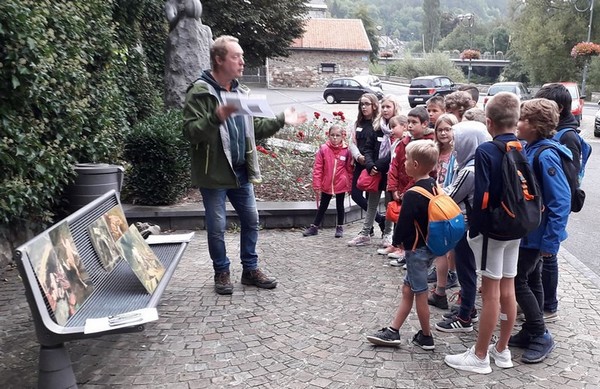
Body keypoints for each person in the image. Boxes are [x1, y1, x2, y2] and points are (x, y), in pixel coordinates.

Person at [182, 35, 307, 295]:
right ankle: (222, 272)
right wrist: (217, 116)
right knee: (217, 228)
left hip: (241, 172)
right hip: (214, 175)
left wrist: (282, 119)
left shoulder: (242, 92)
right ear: (219, 60)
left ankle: (250, 270)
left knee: (251, 220)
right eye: (235, 56)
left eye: (241, 56)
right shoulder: (199, 92)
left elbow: (255, 127)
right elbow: (191, 133)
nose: (242, 61)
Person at [445, 92, 522, 374]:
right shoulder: (520, 147)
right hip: (517, 227)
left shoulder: (487, 151)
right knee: (508, 288)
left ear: (488, 123)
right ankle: (502, 350)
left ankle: (479, 356)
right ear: (515, 120)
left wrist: (475, 230)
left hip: (493, 231)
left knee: (489, 293)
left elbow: (482, 197)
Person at [510, 98, 571, 363]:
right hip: (529, 232)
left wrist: (551, 242)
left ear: (534, 126)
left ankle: (541, 334)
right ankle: (529, 330)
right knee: (532, 280)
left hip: (537, 234)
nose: (517, 124)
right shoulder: (531, 148)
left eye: (522, 120)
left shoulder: (545, 154)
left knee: (517, 280)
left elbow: (560, 201)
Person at [365, 139, 439, 350]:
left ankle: (426, 336)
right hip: (429, 245)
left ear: (415, 165)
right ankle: (393, 330)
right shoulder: (434, 185)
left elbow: (404, 226)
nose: (404, 162)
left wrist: (397, 243)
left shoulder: (413, 194)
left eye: (406, 159)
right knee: (408, 290)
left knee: (420, 293)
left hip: (416, 249)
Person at [435, 117, 491, 333]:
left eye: (459, 141)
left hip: (466, 226)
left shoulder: (470, 170)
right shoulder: (480, 164)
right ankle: (468, 309)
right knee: (469, 271)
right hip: (476, 225)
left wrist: (435, 188)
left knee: (466, 273)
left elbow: (451, 196)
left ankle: (465, 316)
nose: (455, 146)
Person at [533, 83, 582, 321]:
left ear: (559, 108)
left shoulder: (567, 136)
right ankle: (538, 302)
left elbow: (569, 178)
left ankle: (548, 306)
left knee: (549, 255)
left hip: (555, 205)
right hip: (547, 205)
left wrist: (557, 217)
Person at [386, 106, 436, 266]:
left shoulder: (429, 143)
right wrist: (393, 188)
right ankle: (403, 251)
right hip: (400, 189)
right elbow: (394, 164)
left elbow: (422, 173)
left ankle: (415, 256)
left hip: (415, 191)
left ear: (425, 123)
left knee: (416, 226)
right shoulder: (404, 142)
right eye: (408, 122)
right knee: (401, 220)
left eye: (414, 122)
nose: (410, 126)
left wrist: (406, 191)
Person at [347, 95, 399, 247]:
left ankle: (388, 234)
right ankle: (365, 233)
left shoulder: (397, 126)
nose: (385, 110)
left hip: (389, 172)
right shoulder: (377, 127)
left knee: (390, 204)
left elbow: (395, 152)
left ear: (395, 108)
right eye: (383, 107)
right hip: (374, 171)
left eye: (388, 107)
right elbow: (368, 148)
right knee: (371, 203)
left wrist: (378, 165)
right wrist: (370, 165)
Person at [427, 113, 459, 310]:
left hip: (449, 199)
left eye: (448, 129)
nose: (444, 133)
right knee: (440, 242)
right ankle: (442, 272)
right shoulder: (435, 151)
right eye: (440, 130)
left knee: (449, 244)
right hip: (436, 197)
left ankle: (449, 273)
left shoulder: (456, 153)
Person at [302, 124, 353, 238]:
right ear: (328, 135)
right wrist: (317, 184)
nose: (335, 138)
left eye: (337, 135)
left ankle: (340, 226)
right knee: (323, 205)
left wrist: (349, 184)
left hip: (340, 181)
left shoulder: (346, 150)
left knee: (340, 205)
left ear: (342, 136)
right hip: (327, 182)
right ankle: (315, 226)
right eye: (332, 135)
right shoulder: (324, 149)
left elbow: (349, 169)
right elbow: (318, 168)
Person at [347, 93, 385, 241]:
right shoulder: (358, 123)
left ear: (374, 105)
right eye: (361, 104)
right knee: (356, 194)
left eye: (366, 104)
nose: (363, 107)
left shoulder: (379, 123)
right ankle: (380, 219)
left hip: (373, 166)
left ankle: (368, 230)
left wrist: (373, 163)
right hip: (359, 163)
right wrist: (358, 157)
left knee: (371, 199)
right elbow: (352, 143)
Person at [377, 115, 408, 257]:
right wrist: (393, 187)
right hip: (395, 184)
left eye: (394, 127)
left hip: (405, 185)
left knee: (403, 217)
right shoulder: (396, 143)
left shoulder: (407, 143)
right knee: (395, 215)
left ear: (404, 126)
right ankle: (396, 244)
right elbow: (393, 164)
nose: (391, 130)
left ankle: (401, 246)